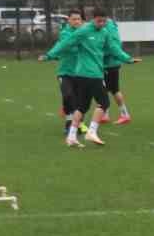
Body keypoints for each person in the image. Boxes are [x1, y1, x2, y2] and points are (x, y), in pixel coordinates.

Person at [40, 9, 110, 147]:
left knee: (81, 105)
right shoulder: (69, 33)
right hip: (68, 72)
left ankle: (72, 134)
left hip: (80, 74)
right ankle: (84, 128)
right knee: (70, 96)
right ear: (69, 21)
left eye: (79, 19)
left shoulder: (89, 32)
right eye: (74, 19)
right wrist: (50, 55)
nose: (77, 21)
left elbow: (103, 48)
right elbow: (64, 45)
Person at [97, 14, 139, 124]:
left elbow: (113, 46)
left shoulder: (108, 28)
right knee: (105, 89)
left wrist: (100, 53)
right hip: (109, 63)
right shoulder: (109, 26)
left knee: (113, 90)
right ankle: (106, 114)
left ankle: (124, 114)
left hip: (110, 64)